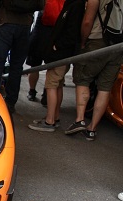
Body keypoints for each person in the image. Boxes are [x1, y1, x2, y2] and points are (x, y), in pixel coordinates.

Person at [65, 0, 123, 140]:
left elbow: (87, 21)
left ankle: (80, 120)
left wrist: (83, 42)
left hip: (97, 41)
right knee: (105, 88)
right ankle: (92, 129)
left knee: (83, 79)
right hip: (118, 46)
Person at [28, 0, 86, 132]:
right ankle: (55, 116)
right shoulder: (74, 4)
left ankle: (50, 121)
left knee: (52, 84)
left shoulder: (76, 5)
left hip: (61, 51)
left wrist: (57, 46)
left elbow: (72, 32)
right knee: (58, 84)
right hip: (63, 51)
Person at [0, 0, 36, 114]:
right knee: (16, 68)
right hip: (25, 25)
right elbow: (41, 4)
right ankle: (10, 103)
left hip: (5, 23)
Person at [26, 0, 65, 102]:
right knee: (52, 67)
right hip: (57, 32)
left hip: (40, 32)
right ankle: (46, 95)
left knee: (34, 66)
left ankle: (32, 91)